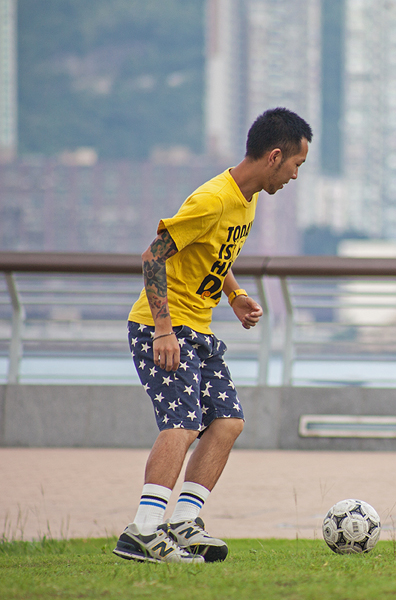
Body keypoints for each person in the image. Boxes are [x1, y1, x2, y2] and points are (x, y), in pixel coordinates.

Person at [113, 107, 313, 563]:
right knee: (182, 425)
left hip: (197, 328)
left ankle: (184, 522)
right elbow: (152, 256)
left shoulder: (248, 197)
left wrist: (236, 294)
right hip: (161, 328)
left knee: (227, 422)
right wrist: (163, 330)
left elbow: (210, 254)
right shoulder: (213, 199)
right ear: (275, 156)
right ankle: (143, 531)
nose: (296, 176)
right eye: (297, 166)